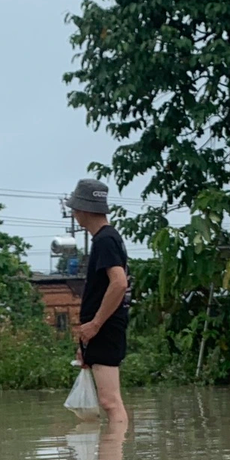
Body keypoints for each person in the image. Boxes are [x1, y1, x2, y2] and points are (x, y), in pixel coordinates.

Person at [68, 177, 129, 430]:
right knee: (109, 400)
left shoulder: (105, 240)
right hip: (101, 329)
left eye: (74, 208)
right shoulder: (106, 239)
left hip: (105, 327)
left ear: (83, 210)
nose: (73, 213)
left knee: (110, 401)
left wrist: (95, 324)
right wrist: (87, 340)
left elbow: (119, 283)